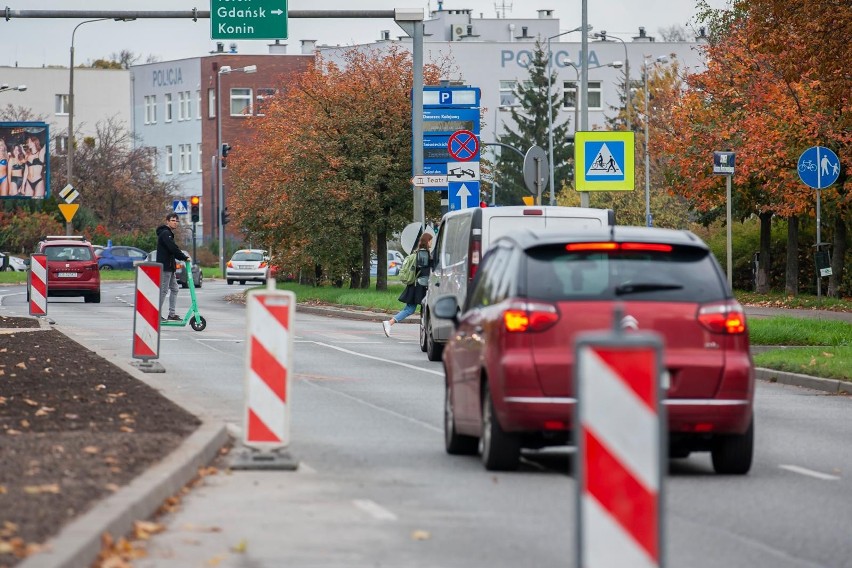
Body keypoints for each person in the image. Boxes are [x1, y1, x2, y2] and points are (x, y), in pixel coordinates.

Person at [382, 232, 433, 337]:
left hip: (415, 285)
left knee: (411, 308)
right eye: (430, 240)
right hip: (419, 286)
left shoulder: (417, 253)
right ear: (427, 241)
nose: (432, 242)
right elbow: (424, 270)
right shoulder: (424, 254)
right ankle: (390, 323)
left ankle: (390, 323)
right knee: (416, 308)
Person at [156, 213, 189, 321]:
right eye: (173, 220)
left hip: (170, 267)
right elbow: (172, 248)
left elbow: (172, 249)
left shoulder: (168, 233)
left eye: (176, 221)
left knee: (175, 289)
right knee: (164, 290)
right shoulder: (165, 233)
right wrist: (184, 257)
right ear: (167, 221)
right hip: (165, 267)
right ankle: (156, 313)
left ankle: (172, 314)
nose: (175, 223)